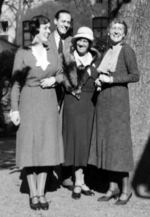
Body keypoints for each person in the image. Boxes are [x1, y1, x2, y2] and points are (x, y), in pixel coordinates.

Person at [10, 15, 64, 210]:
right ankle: (33, 194)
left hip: (49, 103)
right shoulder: (22, 53)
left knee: (47, 148)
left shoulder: (52, 52)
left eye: (49, 28)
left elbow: (61, 74)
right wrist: (15, 109)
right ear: (35, 31)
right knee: (30, 148)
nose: (49, 31)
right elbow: (16, 83)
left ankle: (42, 192)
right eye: (45, 28)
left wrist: (54, 81)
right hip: (28, 102)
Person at [88, 18, 139, 205]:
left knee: (119, 146)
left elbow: (135, 75)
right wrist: (100, 80)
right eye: (113, 28)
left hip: (118, 104)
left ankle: (126, 189)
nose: (116, 31)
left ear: (124, 33)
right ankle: (112, 187)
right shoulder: (107, 52)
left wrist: (112, 79)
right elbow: (103, 72)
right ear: (109, 31)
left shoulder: (127, 50)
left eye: (120, 29)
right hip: (103, 104)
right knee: (107, 145)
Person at [62, 26, 101, 199]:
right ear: (76, 42)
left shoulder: (96, 63)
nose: (82, 43)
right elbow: (61, 79)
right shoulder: (68, 60)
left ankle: (81, 180)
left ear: (90, 44)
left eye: (86, 41)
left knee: (85, 142)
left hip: (89, 106)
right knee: (75, 142)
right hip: (73, 104)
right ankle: (77, 181)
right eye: (80, 40)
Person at [47, 9, 73, 189]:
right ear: (55, 21)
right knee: (48, 132)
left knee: (65, 132)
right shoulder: (45, 40)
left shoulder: (72, 42)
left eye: (68, 22)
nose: (65, 25)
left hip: (68, 92)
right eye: (63, 21)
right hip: (48, 90)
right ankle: (47, 174)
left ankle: (65, 174)